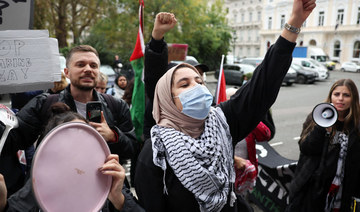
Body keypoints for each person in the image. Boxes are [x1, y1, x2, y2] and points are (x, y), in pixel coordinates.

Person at [135, 1, 316, 211]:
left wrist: (294, 22)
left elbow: (262, 86)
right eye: (185, 84)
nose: (197, 87)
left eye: (200, 81)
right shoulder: (155, 155)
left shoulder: (221, 122)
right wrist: (156, 42)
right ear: (167, 99)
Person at [0, 45, 136, 196]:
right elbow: (11, 140)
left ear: (98, 72)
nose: (88, 69)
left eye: (93, 65)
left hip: (102, 192)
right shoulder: (45, 104)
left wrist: (113, 136)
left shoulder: (116, 106)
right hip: (54, 193)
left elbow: (131, 149)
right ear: (67, 72)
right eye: (80, 64)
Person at [0, 103, 144, 212]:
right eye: (68, 140)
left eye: (84, 138)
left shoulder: (106, 177)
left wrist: (119, 200)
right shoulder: (41, 183)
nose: (76, 147)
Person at [287, 79, 360, 212]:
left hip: (343, 189)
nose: (340, 99)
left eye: (346, 95)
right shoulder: (316, 117)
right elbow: (306, 148)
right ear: (331, 95)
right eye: (336, 94)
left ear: (353, 98)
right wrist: (321, 128)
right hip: (312, 187)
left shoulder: (356, 124)